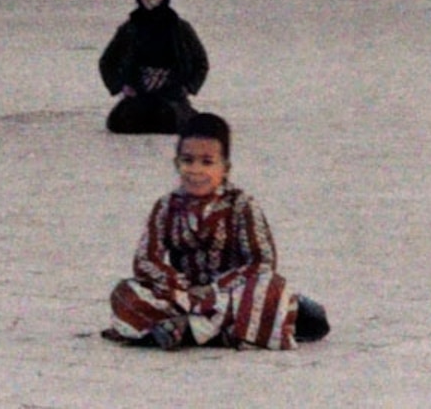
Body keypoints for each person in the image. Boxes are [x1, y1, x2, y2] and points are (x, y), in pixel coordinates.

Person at [105, 113, 328, 351]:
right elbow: (146, 259)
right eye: (188, 160)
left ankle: (190, 330)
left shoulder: (241, 205)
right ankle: (218, 330)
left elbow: (262, 262)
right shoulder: (166, 206)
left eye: (207, 162)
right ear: (176, 164)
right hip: (185, 297)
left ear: (225, 168)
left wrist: (215, 289)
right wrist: (181, 287)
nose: (195, 170)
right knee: (126, 293)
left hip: (232, 295)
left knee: (270, 289)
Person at [97, 0, 209, 136]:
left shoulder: (179, 28)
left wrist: (188, 87)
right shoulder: (129, 28)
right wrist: (120, 86)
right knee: (123, 122)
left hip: (171, 97)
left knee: (170, 120)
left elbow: (201, 61)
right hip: (138, 95)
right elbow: (107, 61)